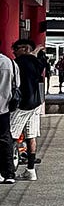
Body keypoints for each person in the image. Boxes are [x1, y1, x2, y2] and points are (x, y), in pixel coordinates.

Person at [10, 40, 47, 180]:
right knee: (31, 136)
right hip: (35, 104)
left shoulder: (20, 62)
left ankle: (7, 171)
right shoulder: (38, 62)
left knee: (10, 136)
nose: (14, 52)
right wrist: (37, 51)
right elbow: (39, 60)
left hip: (22, 105)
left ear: (25, 49)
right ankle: (31, 170)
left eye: (16, 49)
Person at [0, 50, 17, 184]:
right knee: (5, 139)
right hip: (4, 107)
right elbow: (17, 84)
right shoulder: (10, 62)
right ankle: (9, 173)